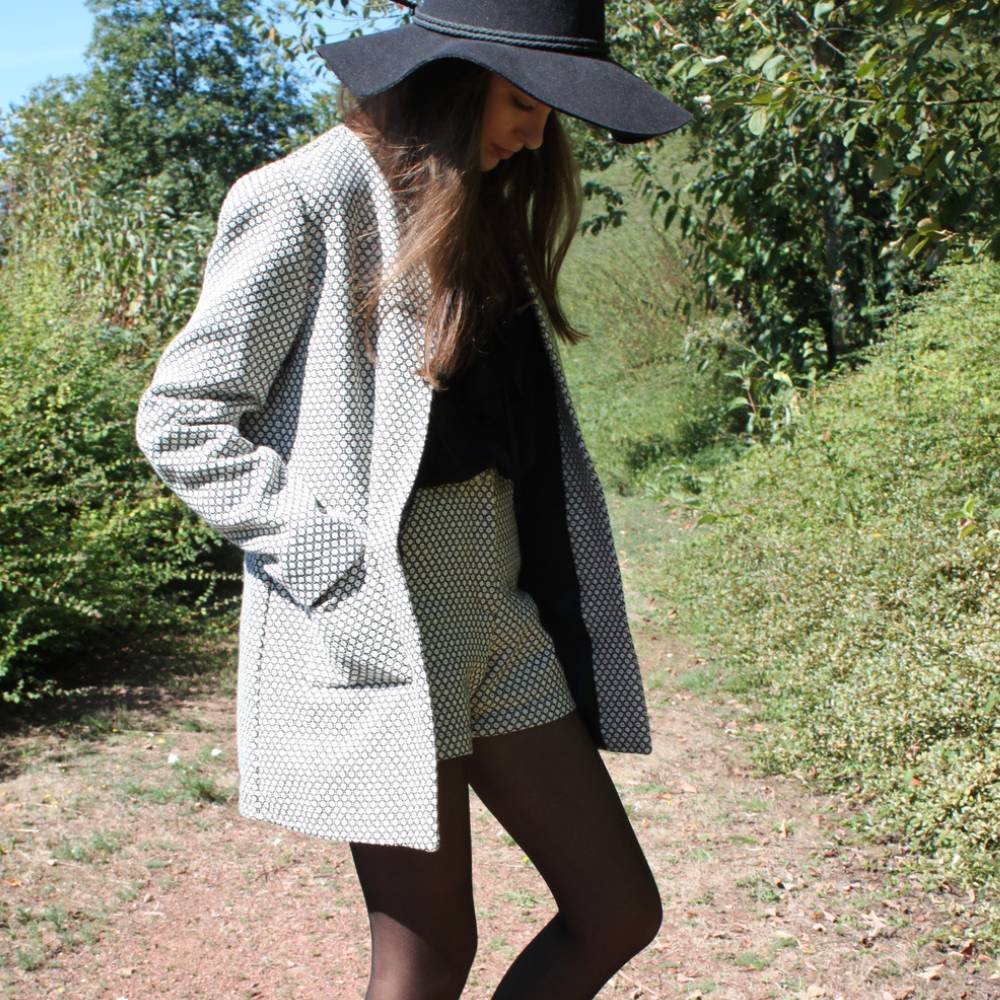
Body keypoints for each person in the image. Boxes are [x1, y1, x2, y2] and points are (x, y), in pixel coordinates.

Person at [135, 2, 691, 996]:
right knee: (427, 959)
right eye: (524, 102)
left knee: (616, 908)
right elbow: (181, 419)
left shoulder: (476, 206)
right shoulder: (306, 194)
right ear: (453, 81)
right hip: (389, 609)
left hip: (501, 609)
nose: (536, 134)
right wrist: (333, 565)